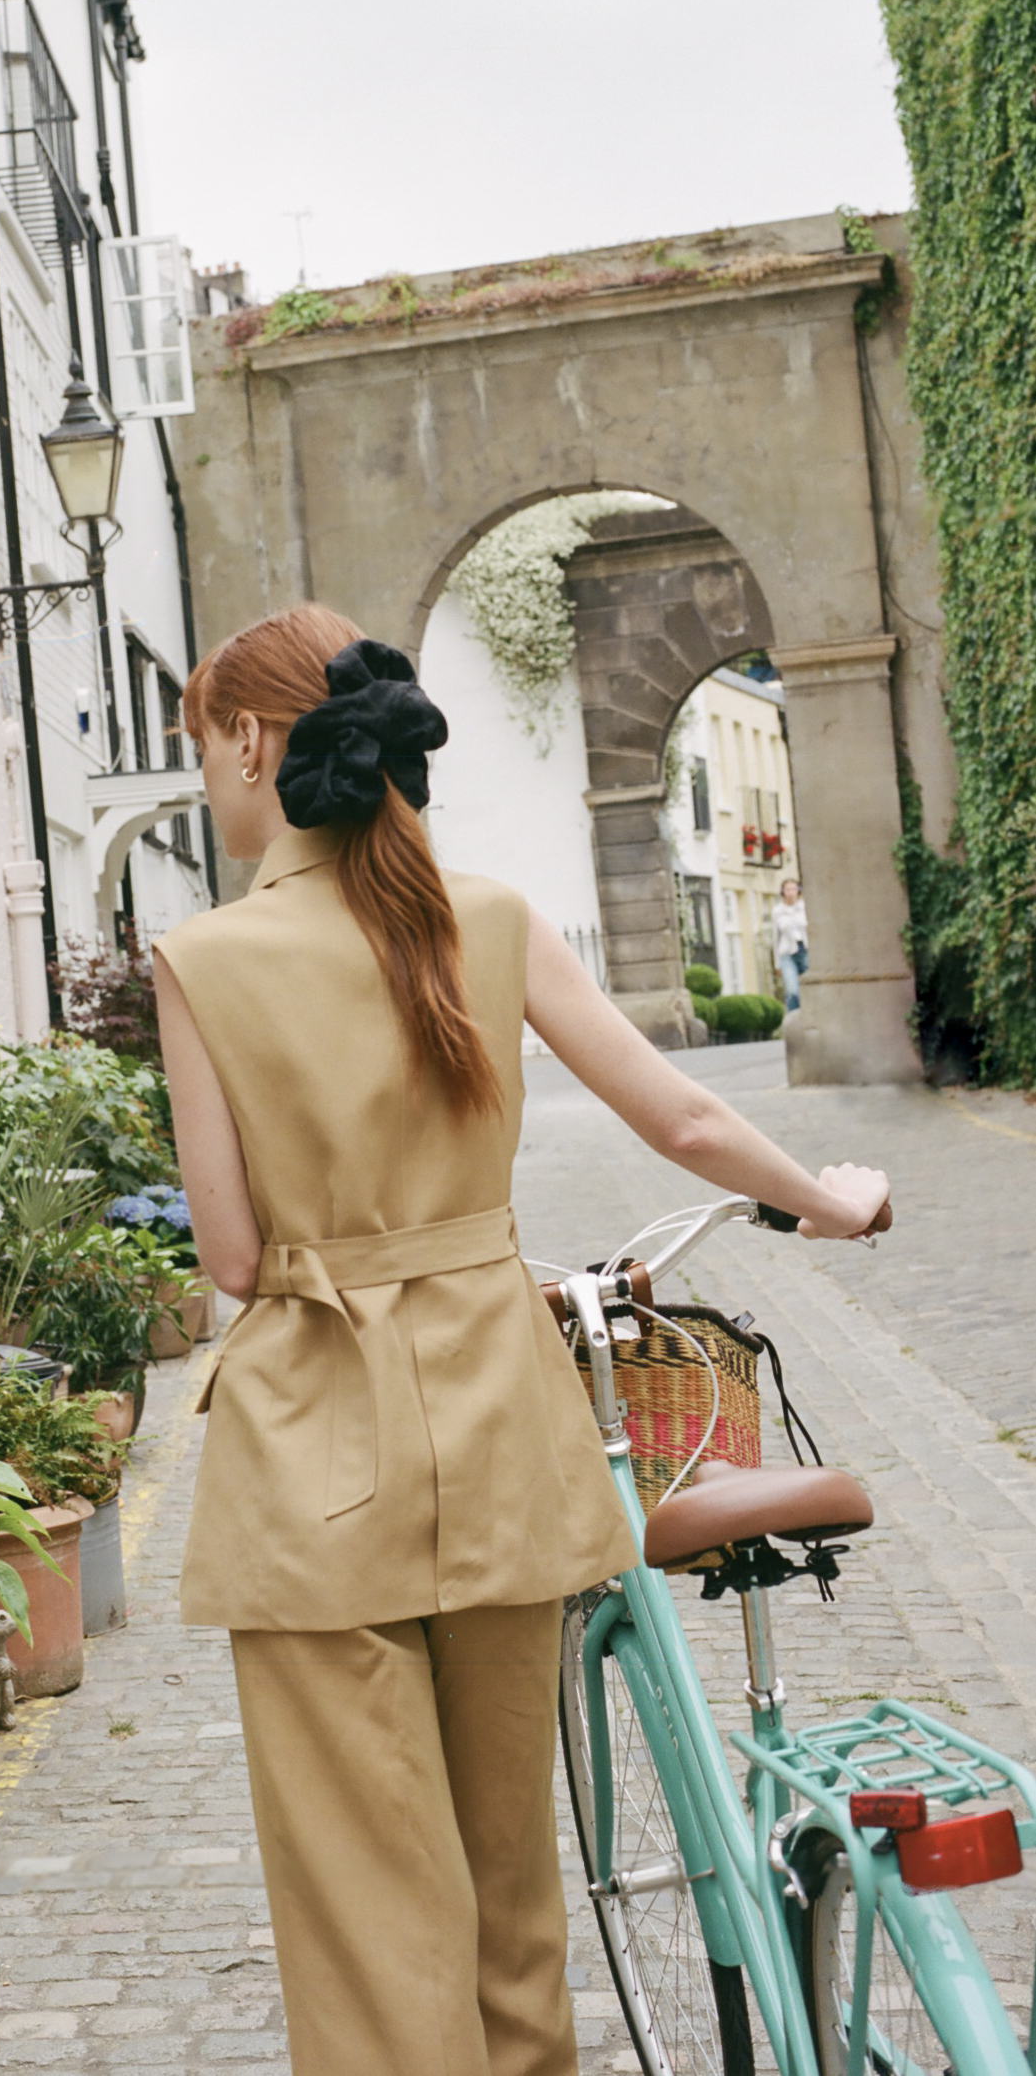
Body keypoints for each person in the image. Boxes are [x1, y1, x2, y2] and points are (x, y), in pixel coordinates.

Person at [152, 604, 889, 2076]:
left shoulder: (204, 958)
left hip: (317, 1472)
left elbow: (232, 1258)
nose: (208, 783)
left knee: (371, 1904)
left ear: (250, 740)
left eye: (205, 751)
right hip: (501, 1436)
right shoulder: (485, 918)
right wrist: (828, 1197)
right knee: (514, 1880)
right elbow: (679, 1114)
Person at [774, 875, 810, 1011]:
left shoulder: (804, 908)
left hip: (804, 949)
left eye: (793, 889)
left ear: (798, 891)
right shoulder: (778, 911)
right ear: (783, 892)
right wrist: (777, 963)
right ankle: (794, 1021)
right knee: (793, 991)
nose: (790, 892)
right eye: (787, 889)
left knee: (810, 988)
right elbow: (775, 937)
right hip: (787, 952)